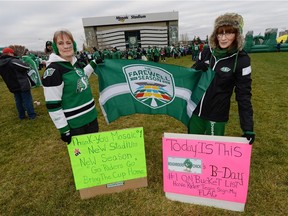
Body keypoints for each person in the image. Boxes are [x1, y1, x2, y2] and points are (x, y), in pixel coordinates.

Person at [188, 13, 255, 144]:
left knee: (212, 153)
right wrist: (196, 67)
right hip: (195, 110)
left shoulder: (241, 60)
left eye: (228, 33)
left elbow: (244, 95)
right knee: (193, 149)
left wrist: (248, 127)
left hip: (216, 115)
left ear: (237, 35)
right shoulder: (207, 51)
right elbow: (191, 76)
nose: (223, 38)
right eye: (220, 33)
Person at [42, 29, 102, 144]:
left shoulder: (75, 63)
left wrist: (93, 63)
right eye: (61, 43)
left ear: (73, 44)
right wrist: (64, 129)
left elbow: (81, 77)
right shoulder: (53, 71)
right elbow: (53, 104)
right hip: (75, 124)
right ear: (55, 47)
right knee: (82, 158)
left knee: (95, 154)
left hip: (91, 117)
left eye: (68, 42)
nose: (66, 46)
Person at [0, 47, 37, 120]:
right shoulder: (12, 61)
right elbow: (26, 66)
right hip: (22, 83)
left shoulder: (1, 63)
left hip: (11, 85)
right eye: (12, 53)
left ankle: (21, 116)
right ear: (10, 53)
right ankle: (32, 115)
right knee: (27, 100)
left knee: (18, 101)